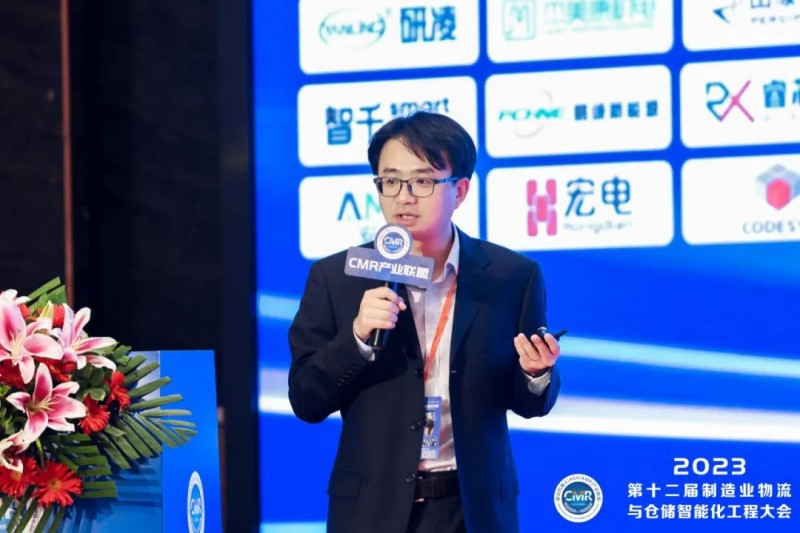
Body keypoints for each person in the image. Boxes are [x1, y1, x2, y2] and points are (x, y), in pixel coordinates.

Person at [288, 112, 561, 533]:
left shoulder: (511, 277)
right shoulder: (338, 278)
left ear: (461, 190)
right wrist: (356, 338)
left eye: (422, 181)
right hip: (371, 513)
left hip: (472, 509)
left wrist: (535, 373)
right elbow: (306, 401)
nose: (404, 197)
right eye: (390, 181)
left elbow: (529, 404)